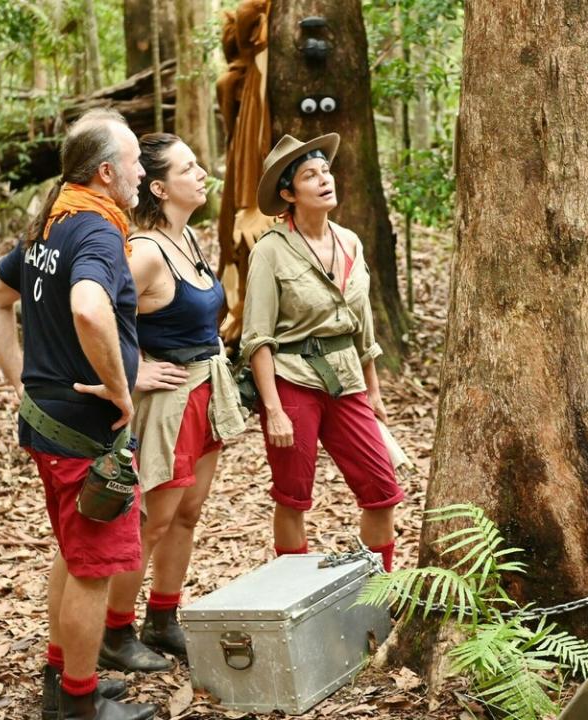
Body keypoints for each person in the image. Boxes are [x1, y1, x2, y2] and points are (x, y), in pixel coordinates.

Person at [0, 109, 156, 720]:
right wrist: (121, 388)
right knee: (92, 569)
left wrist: (20, 380)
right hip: (83, 430)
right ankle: (79, 706)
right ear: (106, 172)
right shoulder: (97, 232)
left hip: (46, 420)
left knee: (72, 554)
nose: (141, 170)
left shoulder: (49, 223)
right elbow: (87, 306)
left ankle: (64, 680)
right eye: (134, 161)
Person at [99, 133, 246, 673]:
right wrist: (132, 370)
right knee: (151, 522)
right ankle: (114, 632)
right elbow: (89, 314)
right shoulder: (144, 252)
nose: (202, 172)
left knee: (186, 514)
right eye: (189, 167)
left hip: (205, 393)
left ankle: (163, 619)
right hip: (167, 402)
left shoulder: (189, 240)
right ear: (159, 187)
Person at [240, 132, 405, 571]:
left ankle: (377, 592)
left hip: (347, 377)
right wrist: (273, 409)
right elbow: (257, 337)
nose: (323, 180)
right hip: (293, 379)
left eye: (325, 171)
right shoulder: (270, 251)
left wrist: (374, 392)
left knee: (381, 490)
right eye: (310, 175)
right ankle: (295, 593)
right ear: (289, 194)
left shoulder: (350, 241)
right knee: (293, 497)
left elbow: (363, 325)